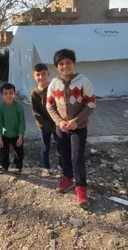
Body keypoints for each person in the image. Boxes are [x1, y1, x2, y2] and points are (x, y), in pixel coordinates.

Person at [46, 49, 96, 207]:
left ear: (74, 64)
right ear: (56, 66)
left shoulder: (83, 81)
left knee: (77, 157)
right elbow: (49, 105)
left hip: (78, 127)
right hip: (61, 127)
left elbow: (91, 104)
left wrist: (76, 120)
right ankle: (67, 179)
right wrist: (59, 121)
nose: (65, 66)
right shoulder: (54, 84)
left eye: (68, 62)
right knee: (63, 155)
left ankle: (81, 189)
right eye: (61, 64)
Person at [30, 63, 62, 175]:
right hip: (43, 126)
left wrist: (58, 121)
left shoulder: (53, 88)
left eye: (43, 74)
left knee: (60, 146)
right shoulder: (34, 93)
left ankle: (62, 166)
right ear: (34, 76)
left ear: (48, 74)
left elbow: (60, 105)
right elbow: (35, 112)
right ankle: (45, 166)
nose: (41, 77)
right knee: (45, 147)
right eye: (37, 75)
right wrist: (46, 124)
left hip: (57, 124)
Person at [0, 83, 26, 174]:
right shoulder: (0, 108)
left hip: (17, 135)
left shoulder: (19, 107)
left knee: (18, 152)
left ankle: (18, 167)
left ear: (14, 94)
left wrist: (21, 135)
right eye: (5, 93)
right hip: (5, 135)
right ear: (2, 95)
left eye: (11, 93)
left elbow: (22, 122)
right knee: (4, 153)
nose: (8, 96)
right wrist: (0, 137)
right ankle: (4, 167)